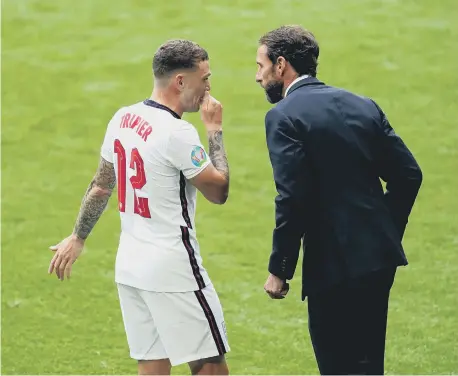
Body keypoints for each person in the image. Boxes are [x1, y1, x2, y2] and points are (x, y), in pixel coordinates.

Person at [48, 39, 231, 375]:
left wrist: (78, 236)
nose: (208, 87)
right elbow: (219, 191)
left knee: (152, 366)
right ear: (180, 81)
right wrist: (215, 130)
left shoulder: (123, 118)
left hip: (131, 267)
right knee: (209, 365)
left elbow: (101, 186)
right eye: (204, 78)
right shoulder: (179, 132)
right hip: (174, 268)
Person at [256, 25, 422, 375]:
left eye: (261, 66)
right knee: (367, 365)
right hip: (378, 260)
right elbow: (408, 175)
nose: (258, 77)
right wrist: (384, 231)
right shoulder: (362, 105)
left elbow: (292, 197)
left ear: (281, 65)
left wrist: (279, 269)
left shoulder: (283, 117)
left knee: (337, 367)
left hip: (332, 266)